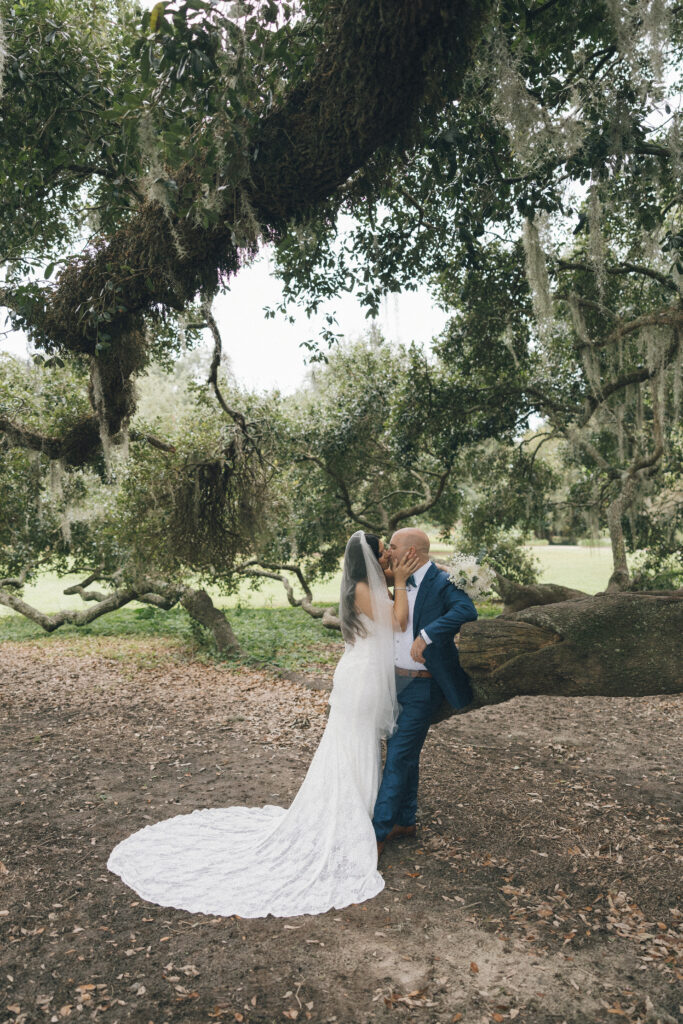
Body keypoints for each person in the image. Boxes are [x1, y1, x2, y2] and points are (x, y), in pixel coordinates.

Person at [107, 531, 419, 918]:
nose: (387, 557)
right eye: (382, 553)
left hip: (363, 676)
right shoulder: (361, 590)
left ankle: (364, 814)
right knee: (352, 746)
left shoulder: (363, 586)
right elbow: (399, 620)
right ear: (371, 561)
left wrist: (397, 579)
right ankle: (349, 821)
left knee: (355, 745)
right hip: (361, 681)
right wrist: (401, 582)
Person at [372, 528, 477, 855]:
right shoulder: (395, 577)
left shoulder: (443, 582)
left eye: (392, 546)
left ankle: (377, 833)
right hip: (393, 682)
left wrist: (427, 635)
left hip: (423, 685)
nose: (388, 552)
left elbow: (467, 611)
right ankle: (405, 819)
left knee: (399, 756)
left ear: (412, 552)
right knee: (403, 753)